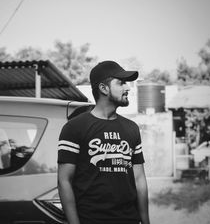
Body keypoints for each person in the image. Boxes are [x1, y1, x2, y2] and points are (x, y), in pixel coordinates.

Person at [58, 60, 150, 224]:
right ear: (103, 88)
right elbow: (64, 180)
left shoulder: (132, 129)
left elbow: (139, 180)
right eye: (121, 83)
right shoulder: (74, 127)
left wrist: (146, 221)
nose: (127, 88)